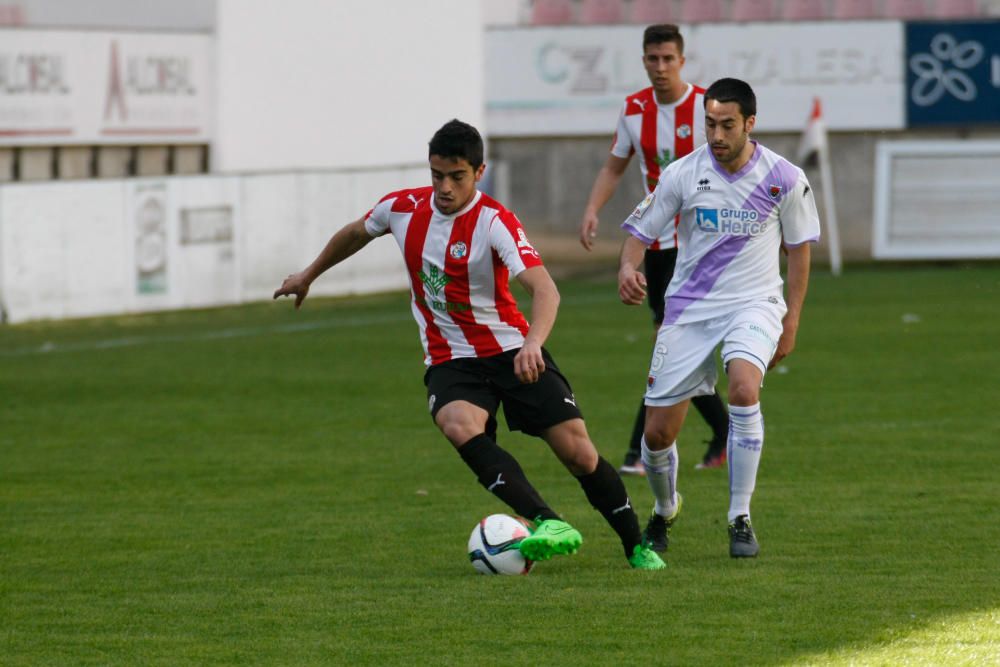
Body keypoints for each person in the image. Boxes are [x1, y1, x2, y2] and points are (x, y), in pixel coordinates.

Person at [275, 119, 665, 570]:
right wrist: (308, 274)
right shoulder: (402, 209)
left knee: (578, 452)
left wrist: (533, 344)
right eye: (437, 174)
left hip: (511, 349)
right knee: (458, 424)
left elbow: (545, 290)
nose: (444, 187)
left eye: (456, 176)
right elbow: (355, 232)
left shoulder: (494, 222)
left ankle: (636, 545)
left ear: (479, 173)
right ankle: (546, 521)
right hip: (451, 357)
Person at [617, 78, 820, 558]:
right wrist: (628, 266)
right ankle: (665, 508)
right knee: (656, 433)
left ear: (750, 123)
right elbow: (640, 232)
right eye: (710, 124)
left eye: (728, 125)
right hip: (689, 309)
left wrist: (791, 321)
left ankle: (740, 517)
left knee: (744, 390)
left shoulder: (784, 178)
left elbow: (798, 253)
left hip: (755, 304)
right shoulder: (683, 174)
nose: (717, 135)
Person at [579, 24, 729, 476]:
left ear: (682, 60)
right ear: (643, 61)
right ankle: (719, 433)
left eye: (668, 59)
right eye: (652, 59)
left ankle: (639, 453)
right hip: (659, 248)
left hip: (701, 246)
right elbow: (614, 166)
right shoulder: (633, 110)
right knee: (672, 346)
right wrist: (592, 208)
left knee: (669, 344)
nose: (660, 67)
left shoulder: (709, 109)